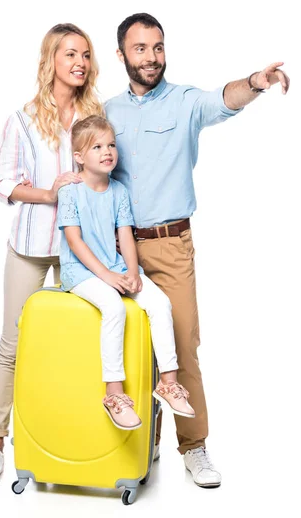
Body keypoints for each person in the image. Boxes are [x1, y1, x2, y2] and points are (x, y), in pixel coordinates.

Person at [105, 13, 290, 487]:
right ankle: (139, 443)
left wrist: (256, 82)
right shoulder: (108, 112)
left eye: (158, 47)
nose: (152, 57)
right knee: (125, 350)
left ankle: (195, 447)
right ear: (122, 54)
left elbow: (224, 100)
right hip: (117, 249)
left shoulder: (184, 102)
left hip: (170, 248)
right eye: (141, 48)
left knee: (182, 347)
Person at [0, 23, 103, 488]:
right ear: (51, 59)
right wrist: (49, 194)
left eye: (86, 55)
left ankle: (69, 440)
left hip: (80, 249)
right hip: (32, 247)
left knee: (79, 347)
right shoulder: (24, 119)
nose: (80, 63)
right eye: (71, 53)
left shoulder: (95, 116)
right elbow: (3, 183)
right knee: (12, 347)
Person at [57, 115, 195, 430]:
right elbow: (74, 240)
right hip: (81, 272)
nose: (107, 152)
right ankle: (114, 394)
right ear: (79, 157)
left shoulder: (118, 191)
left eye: (111, 145)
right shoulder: (71, 192)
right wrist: (107, 276)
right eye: (97, 147)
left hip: (116, 267)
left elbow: (125, 236)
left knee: (160, 303)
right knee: (113, 306)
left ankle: (169, 383)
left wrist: (132, 271)